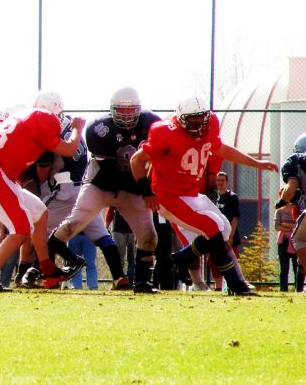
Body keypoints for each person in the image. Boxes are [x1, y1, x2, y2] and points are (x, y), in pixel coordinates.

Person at [131, 95, 278, 296]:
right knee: (212, 227)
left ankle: (180, 259)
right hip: (168, 196)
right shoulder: (165, 132)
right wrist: (146, 192)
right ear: (181, 119)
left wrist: (256, 163)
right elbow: (136, 161)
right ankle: (236, 285)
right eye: (193, 120)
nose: (199, 124)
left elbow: (222, 149)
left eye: (202, 118)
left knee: (225, 228)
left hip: (191, 192)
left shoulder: (211, 125)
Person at [46, 87, 161, 293]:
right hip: (101, 184)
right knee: (73, 224)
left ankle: (142, 282)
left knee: (149, 236)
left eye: (131, 110)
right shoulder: (99, 128)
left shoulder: (152, 123)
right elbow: (113, 166)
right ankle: (45, 269)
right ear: (112, 110)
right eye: (121, 110)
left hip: (132, 187)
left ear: (139, 109)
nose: (126, 115)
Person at [0, 99, 86, 293]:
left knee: (40, 212)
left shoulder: (21, 116)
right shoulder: (44, 116)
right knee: (21, 230)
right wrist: (78, 128)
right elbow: (69, 149)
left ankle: (48, 271)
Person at [20, 92, 125, 291]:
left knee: (40, 230)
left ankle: (43, 274)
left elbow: (42, 171)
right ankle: (119, 277)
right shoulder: (71, 124)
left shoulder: (49, 127)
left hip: (62, 189)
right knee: (101, 234)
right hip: (83, 188)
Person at [276, 132, 306, 292]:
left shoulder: (295, 162)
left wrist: (282, 201)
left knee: (298, 240)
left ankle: (300, 288)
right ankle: (300, 288)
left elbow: (291, 186)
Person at [274, 198, 299, 292]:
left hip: (296, 240)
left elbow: (299, 225)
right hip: (283, 241)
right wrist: (292, 227)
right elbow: (277, 226)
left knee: (296, 266)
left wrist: (285, 224)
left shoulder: (297, 209)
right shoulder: (279, 211)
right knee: (284, 267)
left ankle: (298, 289)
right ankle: (283, 290)